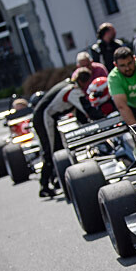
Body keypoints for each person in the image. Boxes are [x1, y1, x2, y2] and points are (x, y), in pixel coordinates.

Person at [33, 68, 101, 197]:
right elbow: (87, 109)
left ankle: (57, 180)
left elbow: (80, 116)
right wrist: (103, 117)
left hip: (46, 118)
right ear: (83, 81)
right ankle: (44, 186)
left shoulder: (68, 85)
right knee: (51, 151)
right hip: (44, 118)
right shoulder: (72, 90)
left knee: (59, 148)